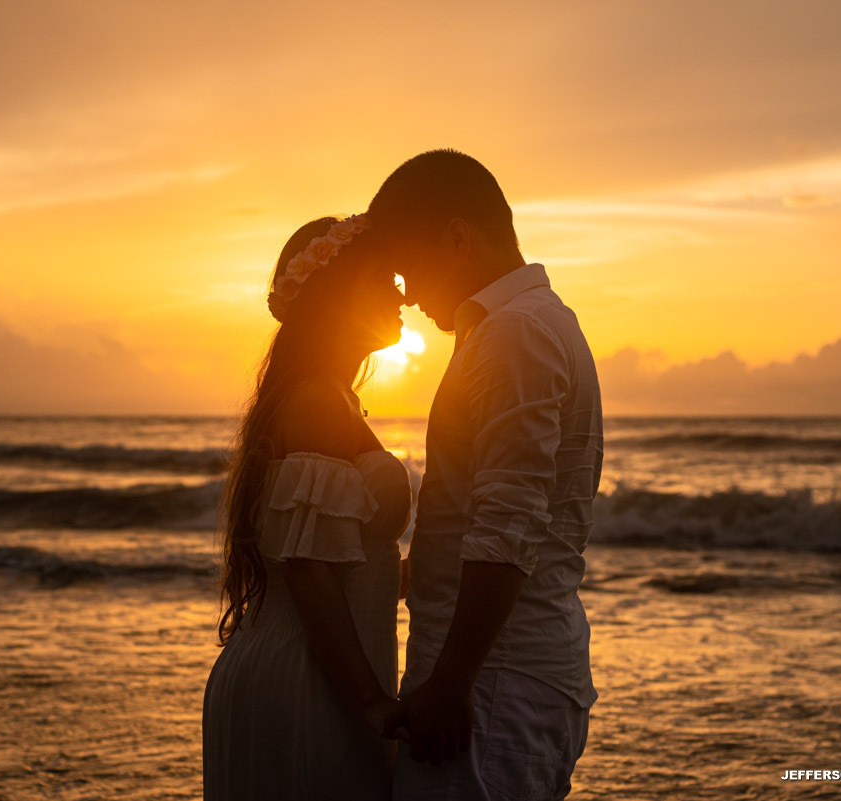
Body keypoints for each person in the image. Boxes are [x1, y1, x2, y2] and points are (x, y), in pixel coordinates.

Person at [368, 149, 604, 800]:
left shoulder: (515, 335)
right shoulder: (513, 328)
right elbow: (485, 512)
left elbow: (510, 522)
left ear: (456, 236)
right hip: (500, 672)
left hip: (496, 678)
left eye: (406, 265)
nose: (406, 290)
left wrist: (452, 682)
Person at [202, 215, 413, 800]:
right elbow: (307, 568)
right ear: (335, 296)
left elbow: (333, 556)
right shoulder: (319, 400)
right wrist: (372, 702)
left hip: (313, 669)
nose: (403, 294)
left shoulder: (333, 396)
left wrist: (415, 574)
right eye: (383, 279)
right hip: (309, 680)